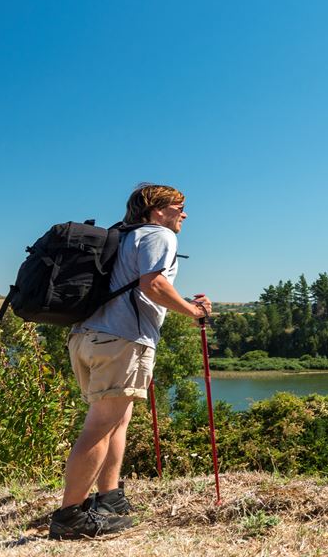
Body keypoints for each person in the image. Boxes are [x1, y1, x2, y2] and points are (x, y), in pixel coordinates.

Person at [49, 184, 212, 540]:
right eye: (178, 207)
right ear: (157, 211)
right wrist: (192, 311)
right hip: (121, 339)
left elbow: (136, 287)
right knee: (101, 425)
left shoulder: (122, 238)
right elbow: (152, 284)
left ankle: (109, 499)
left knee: (117, 420)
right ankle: (69, 517)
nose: (183, 214)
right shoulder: (159, 235)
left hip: (87, 336)